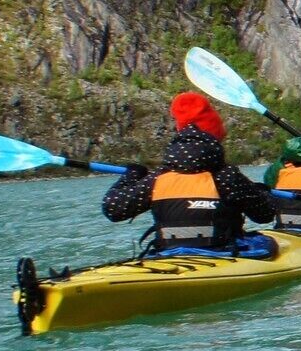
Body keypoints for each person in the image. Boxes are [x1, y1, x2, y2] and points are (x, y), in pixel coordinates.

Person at [103, 92, 278, 254]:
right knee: (269, 244)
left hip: (167, 257)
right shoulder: (227, 177)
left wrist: (132, 174)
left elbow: (113, 209)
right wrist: (261, 192)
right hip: (222, 254)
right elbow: (265, 215)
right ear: (214, 139)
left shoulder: (158, 179)